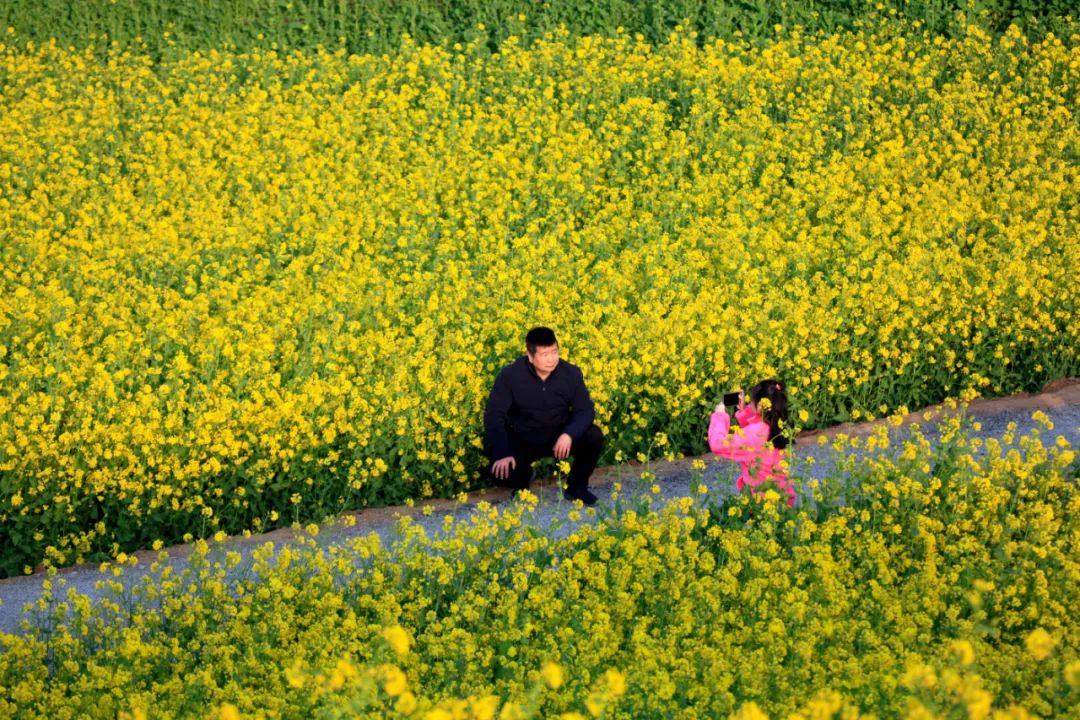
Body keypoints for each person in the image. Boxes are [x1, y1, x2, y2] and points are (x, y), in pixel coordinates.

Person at [484, 327, 604, 506]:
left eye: (554, 352)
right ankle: (523, 478)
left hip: (558, 437)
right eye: (545, 354)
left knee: (593, 436)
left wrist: (569, 434)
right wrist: (503, 452)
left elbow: (585, 410)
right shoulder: (510, 375)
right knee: (498, 471)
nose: (552, 359)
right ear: (530, 356)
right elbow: (494, 415)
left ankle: (577, 487)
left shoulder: (571, 373)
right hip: (523, 438)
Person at [707, 379, 795, 506]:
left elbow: (718, 444)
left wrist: (720, 416)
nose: (750, 404)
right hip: (783, 499)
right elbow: (753, 439)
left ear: (760, 406)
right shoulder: (778, 425)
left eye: (752, 401)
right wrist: (744, 411)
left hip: (761, 504)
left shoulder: (755, 434)